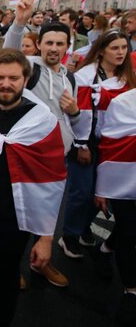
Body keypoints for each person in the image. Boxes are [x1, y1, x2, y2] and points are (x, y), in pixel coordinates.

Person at [0, 49, 66, 326]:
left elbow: (52, 180)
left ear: (25, 79)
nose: (5, 84)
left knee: (9, 274)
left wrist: (45, 237)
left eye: (13, 77)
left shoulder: (42, 121)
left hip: (16, 216)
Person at [3, 0, 80, 287]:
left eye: (60, 44)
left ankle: (41, 263)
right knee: (20, 217)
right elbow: (9, 54)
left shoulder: (69, 76)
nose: (53, 49)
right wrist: (20, 22)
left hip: (57, 160)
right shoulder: (30, 69)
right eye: (48, 43)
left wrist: (73, 111)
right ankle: (11, 270)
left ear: (66, 47)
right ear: (39, 45)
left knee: (47, 219)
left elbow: (71, 119)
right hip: (27, 159)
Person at [62, 30, 136, 260]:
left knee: (102, 193)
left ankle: (84, 228)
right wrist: (81, 145)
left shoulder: (129, 76)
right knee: (82, 191)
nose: (121, 52)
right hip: (87, 142)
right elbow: (81, 112)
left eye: (124, 47)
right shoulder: (86, 76)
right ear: (102, 50)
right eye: (115, 48)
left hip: (116, 144)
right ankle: (70, 235)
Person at [94, 88, 136, 326]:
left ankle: (106, 246)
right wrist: (102, 188)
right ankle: (131, 289)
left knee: (127, 228)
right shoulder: (123, 103)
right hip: (124, 178)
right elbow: (109, 144)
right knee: (130, 232)